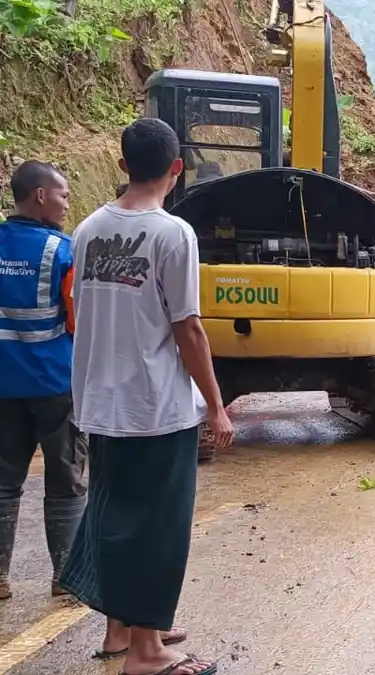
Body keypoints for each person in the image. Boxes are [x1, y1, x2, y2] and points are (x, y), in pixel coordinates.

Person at [61, 118, 235, 675]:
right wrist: (216, 405)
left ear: (121, 166)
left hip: (100, 403)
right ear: (177, 168)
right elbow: (187, 329)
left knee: (116, 513)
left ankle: (126, 630)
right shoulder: (171, 233)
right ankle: (147, 652)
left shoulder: (87, 229)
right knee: (157, 526)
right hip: (156, 409)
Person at [0, 161, 85, 602]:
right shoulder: (63, 252)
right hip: (54, 383)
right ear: (39, 196)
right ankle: (65, 576)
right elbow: (77, 319)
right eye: (63, 195)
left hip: (2, 385)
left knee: (2, 480)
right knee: (65, 476)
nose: (67, 203)